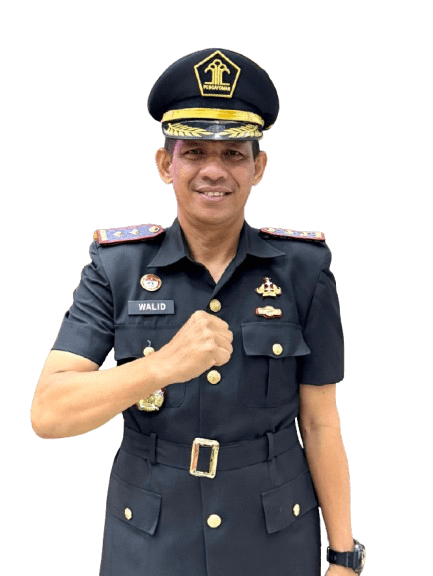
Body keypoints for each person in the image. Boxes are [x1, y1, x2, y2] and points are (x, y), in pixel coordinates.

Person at [30, 48, 365, 576]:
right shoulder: (117, 267)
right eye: (194, 152)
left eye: (233, 153)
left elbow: (321, 422)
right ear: (166, 164)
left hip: (273, 540)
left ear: (258, 167)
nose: (214, 170)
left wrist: (345, 556)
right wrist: (162, 366)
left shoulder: (304, 269)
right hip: (150, 542)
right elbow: (49, 414)